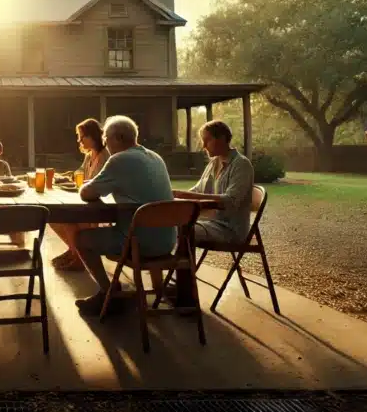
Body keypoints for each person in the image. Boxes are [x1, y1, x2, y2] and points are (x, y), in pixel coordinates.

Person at [73, 115, 176, 315]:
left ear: (118, 138)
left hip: (138, 243)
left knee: (81, 239)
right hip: (167, 241)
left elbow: (87, 193)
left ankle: (108, 290)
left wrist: (86, 184)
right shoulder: (156, 157)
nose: (105, 144)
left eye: (106, 140)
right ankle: (157, 288)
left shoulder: (120, 159)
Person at [173, 120, 255, 244]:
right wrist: (174, 195)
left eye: (207, 140)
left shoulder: (241, 164)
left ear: (221, 139)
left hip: (230, 230)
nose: (204, 146)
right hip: (210, 223)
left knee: (180, 230)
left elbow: (230, 201)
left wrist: (186, 195)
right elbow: (197, 190)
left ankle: (183, 263)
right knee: (169, 225)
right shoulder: (213, 163)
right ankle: (181, 262)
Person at [50, 118, 111, 270]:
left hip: (101, 203)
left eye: (81, 136)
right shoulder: (89, 155)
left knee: (71, 219)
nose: (79, 140)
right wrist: (66, 176)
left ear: (91, 136)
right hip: (86, 199)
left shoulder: (105, 156)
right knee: (55, 218)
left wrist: (82, 182)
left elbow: (99, 184)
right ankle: (76, 252)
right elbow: (81, 173)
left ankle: (79, 257)